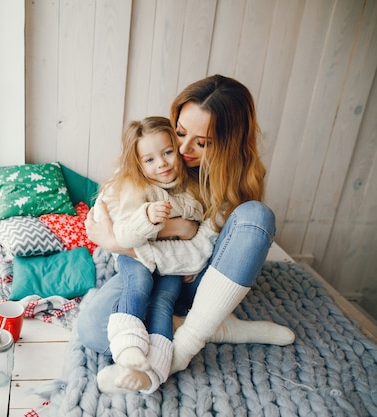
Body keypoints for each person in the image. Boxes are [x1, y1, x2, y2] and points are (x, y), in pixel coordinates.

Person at [78, 74, 296, 394]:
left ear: (227, 143)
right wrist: (162, 231)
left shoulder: (229, 186)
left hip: (199, 279)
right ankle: (214, 326)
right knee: (94, 329)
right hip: (152, 270)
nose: (180, 149)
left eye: (201, 142)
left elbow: (196, 256)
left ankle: (187, 342)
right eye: (180, 132)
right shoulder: (157, 151)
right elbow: (109, 216)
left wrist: (133, 244)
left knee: (257, 217)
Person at [96, 116, 218, 394]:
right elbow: (124, 234)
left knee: (164, 301)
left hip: (172, 261)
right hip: (137, 254)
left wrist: (179, 214)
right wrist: (149, 218)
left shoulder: (191, 185)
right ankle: (128, 347)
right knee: (138, 286)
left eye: (167, 152)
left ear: (177, 148)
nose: (161, 163)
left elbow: (198, 218)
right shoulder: (135, 187)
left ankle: (152, 373)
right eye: (149, 160)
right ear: (138, 164)